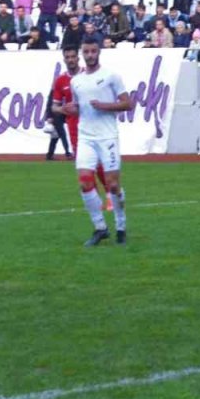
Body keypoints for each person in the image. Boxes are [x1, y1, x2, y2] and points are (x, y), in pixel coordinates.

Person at [59, 38, 133, 245]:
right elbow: (78, 106)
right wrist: (71, 109)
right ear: (83, 54)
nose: (90, 55)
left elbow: (128, 103)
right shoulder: (77, 81)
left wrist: (104, 105)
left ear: (99, 52)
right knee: (84, 182)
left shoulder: (111, 76)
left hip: (107, 136)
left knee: (113, 184)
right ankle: (100, 227)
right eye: (86, 52)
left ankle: (121, 225)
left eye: (93, 51)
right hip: (86, 137)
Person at [49, 46, 111, 209]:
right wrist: (64, 109)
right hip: (74, 126)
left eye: (72, 56)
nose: (70, 59)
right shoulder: (61, 80)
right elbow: (54, 107)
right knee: (85, 164)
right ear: (64, 59)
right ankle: (97, 201)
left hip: (93, 123)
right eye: (67, 57)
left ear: (78, 58)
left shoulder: (88, 76)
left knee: (98, 161)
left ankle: (110, 194)